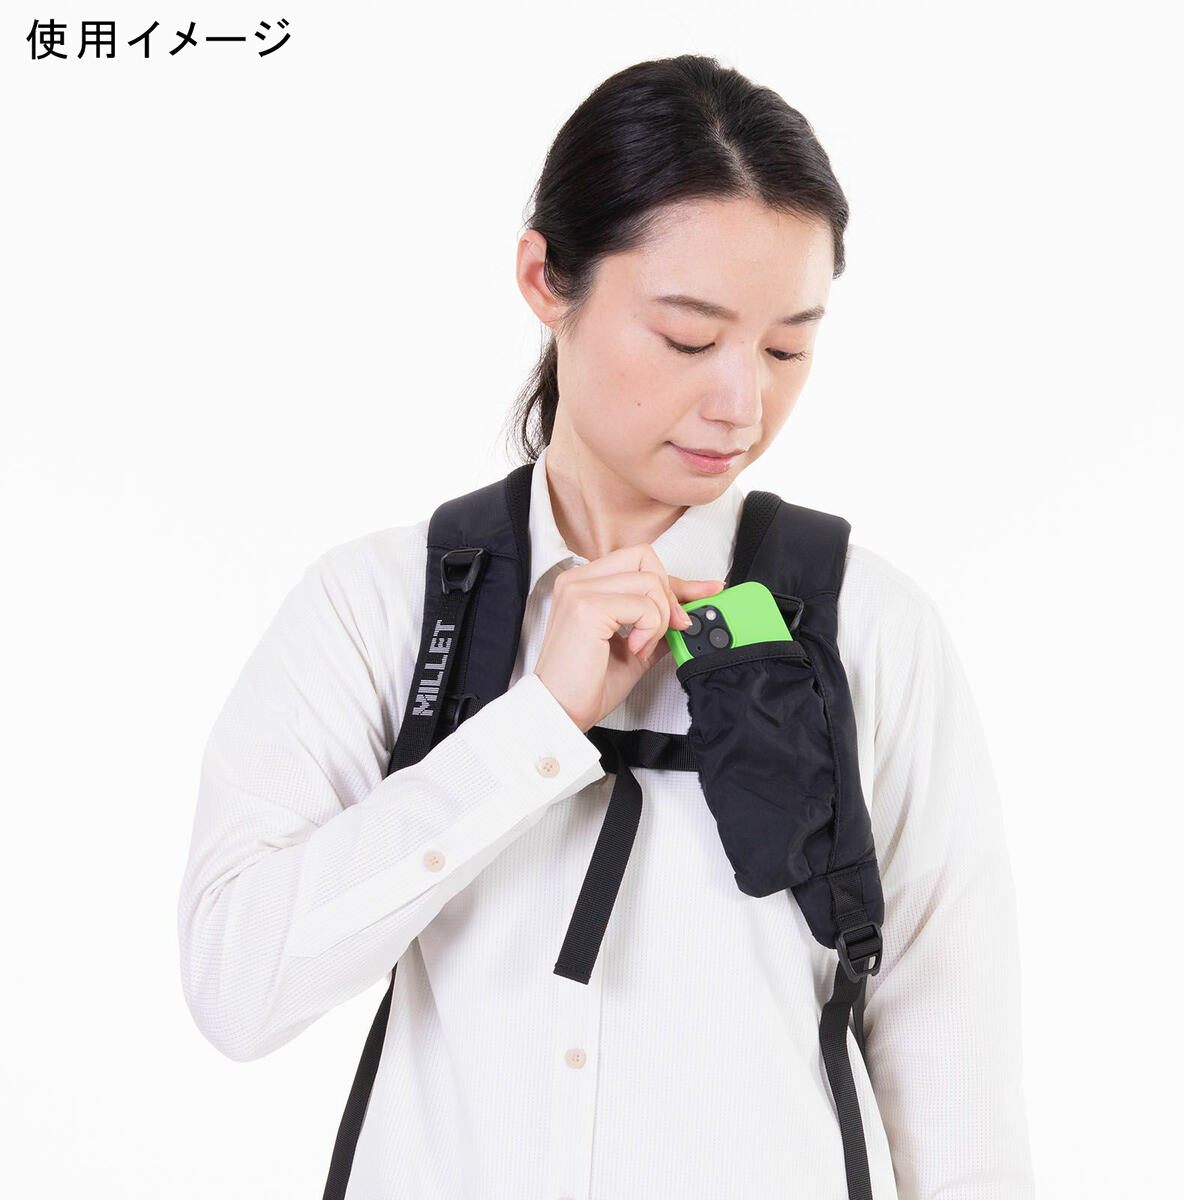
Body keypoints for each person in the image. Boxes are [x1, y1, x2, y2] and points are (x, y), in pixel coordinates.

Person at [177, 54, 1035, 1199]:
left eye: (787, 346)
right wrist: (532, 730)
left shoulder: (868, 629)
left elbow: (955, 1074)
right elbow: (236, 988)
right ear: (545, 278)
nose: (742, 403)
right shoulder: (380, 605)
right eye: (687, 337)